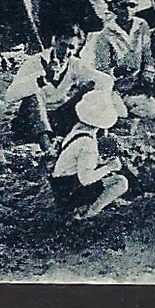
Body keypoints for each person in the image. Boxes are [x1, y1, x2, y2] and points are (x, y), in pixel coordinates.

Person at [5, 24, 116, 152]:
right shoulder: (35, 62)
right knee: (35, 94)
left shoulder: (75, 64)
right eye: (63, 45)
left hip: (58, 121)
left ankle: (98, 137)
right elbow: (9, 96)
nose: (66, 51)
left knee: (90, 89)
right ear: (54, 41)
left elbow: (105, 81)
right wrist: (43, 79)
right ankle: (47, 150)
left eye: (72, 47)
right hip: (30, 123)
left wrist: (94, 94)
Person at [50, 90, 131, 221]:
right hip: (69, 191)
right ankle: (89, 213)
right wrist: (109, 167)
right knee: (120, 182)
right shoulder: (88, 144)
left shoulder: (77, 130)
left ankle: (84, 206)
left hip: (60, 185)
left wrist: (99, 162)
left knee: (104, 176)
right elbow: (85, 179)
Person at [85, 0, 154, 104]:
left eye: (132, 5)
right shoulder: (105, 32)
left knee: (150, 109)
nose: (127, 10)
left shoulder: (142, 25)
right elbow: (103, 68)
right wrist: (118, 82)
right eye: (123, 5)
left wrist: (147, 72)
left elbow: (148, 55)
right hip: (116, 84)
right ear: (114, 6)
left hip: (138, 81)